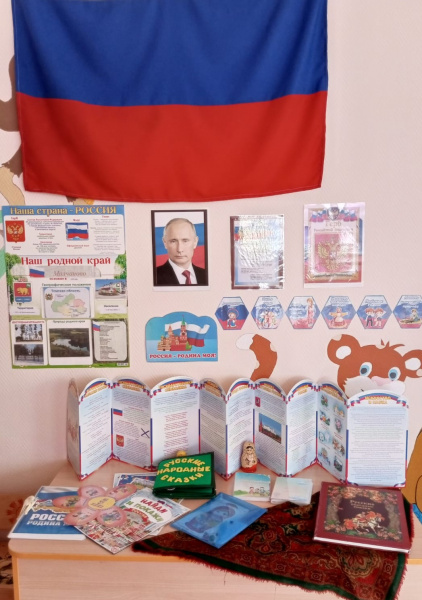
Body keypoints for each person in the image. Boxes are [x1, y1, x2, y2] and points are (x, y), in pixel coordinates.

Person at [155, 218, 207, 286]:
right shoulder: (154, 276)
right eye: (173, 241)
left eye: (185, 241)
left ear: (195, 242)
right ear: (165, 243)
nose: (179, 249)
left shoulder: (206, 275)